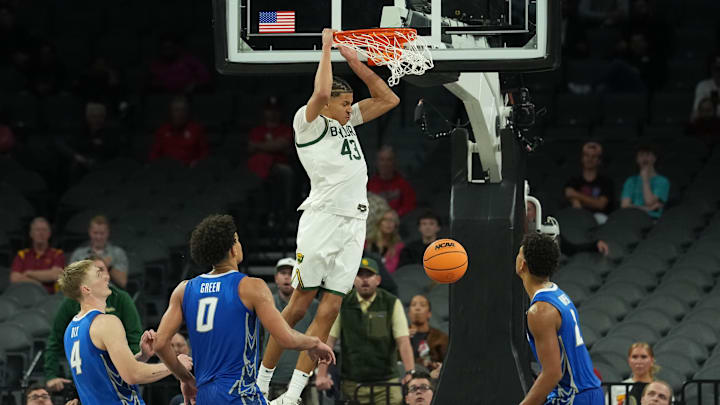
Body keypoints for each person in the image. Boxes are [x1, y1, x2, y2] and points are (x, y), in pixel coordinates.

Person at [257, 28, 400, 405]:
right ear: (325, 106)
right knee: (301, 303)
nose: (350, 108)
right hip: (322, 219)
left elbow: (388, 97)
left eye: (352, 103)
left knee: (332, 306)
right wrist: (326, 48)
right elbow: (321, 93)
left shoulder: (346, 122)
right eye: (344, 103)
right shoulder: (308, 124)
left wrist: (357, 63)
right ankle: (259, 383)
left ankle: (291, 395)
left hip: (354, 223)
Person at [153, 214, 335, 405]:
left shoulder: (183, 289)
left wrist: (186, 378)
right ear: (233, 249)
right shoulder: (251, 287)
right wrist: (314, 342)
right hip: (238, 394)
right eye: (238, 240)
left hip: (205, 395)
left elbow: (159, 344)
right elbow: (285, 337)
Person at [59, 259, 192, 404]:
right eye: (98, 274)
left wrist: (142, 356)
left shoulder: (70, 330)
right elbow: (132, 374)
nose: (106, 276)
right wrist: (174, 365)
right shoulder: (106, 322)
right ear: (86, 289)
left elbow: (106, 374)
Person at [516, 233, 603, 405]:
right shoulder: (558, 294)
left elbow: (552, 373)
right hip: (589, 391)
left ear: (522, 264)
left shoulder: (539, 311)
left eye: (519, 253)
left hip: (574, 396)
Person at [316, 257, 415, 405]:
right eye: (360, 275)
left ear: (378, 279)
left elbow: (403, 341)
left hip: (387, 382)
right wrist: (322, 374)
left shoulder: (391, 302)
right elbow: (329, 341)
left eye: (369, 275)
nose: (364, 280)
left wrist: (409, 373)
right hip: (351, 384)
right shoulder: (342, 303)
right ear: (353, 279)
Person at [45, 254, 143, 392]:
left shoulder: (120, 299)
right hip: (90, 379)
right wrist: (51, 375)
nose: (103, 276)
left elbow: (135, 338)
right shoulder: (101, 319)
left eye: (103, 270)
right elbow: (54, 340)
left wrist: (135, 360)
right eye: (97, 273)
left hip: (114, 375)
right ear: (86, 286)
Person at [263, 258, 319, 403]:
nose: (287, 277)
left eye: (291, 273)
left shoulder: (313, 306)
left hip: (304, 380)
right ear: (276, 278)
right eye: (283, 273)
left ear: (298, 277)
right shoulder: (265, 304)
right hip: (271, 380)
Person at [247, 96, 296, 231]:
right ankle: (260, 215)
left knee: (286, 173)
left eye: (276, 110)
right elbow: (250, 147)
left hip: (281, 167)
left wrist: (260, 146)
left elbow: (283, 144)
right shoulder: (258, 130)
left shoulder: (285, 128)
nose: (272, 113)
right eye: (269, 110)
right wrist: (273, 146)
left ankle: (285, 213)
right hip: (259, 169)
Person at [56, 101, 124, 183]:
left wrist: (100, 147)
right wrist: (82, 154)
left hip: (103, 160)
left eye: (100, 116)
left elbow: (113, 149)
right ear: (87, 117)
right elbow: (75, 143)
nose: (97, 120)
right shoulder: (80, 128)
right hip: (83, 158)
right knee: (75, 167)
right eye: (94, 117)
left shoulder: (110, 130)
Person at [148, 95, 209, 166]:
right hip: (167, 170)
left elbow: (205, 154)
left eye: (183, 110)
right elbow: (154, 155)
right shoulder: (162, 130)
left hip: (190, 171)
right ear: (171, 112)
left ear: (187, 112)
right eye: (176, 110)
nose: (180, 114)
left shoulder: (197, 130)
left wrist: (197, 163)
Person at [69, 215, 129, 288]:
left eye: (102, 233)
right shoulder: (79, 254)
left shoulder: (118, 253)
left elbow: (123, 282)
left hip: (110, 295)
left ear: (108, 233)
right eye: (95, 233)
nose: (98, 237)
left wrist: (107, 266)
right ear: (89, 232)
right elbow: (70, 282)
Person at [11, 217, 65, 294]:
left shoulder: (57, 254)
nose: (41, 233)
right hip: (23, 297)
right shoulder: (22, 255)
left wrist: (29, 273)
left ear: (49, 233)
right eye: (37, 230)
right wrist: (36, 284)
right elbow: (14, 278)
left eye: (44, 230)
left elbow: (55, 275)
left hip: (49, 299)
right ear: (31, 233)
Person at [563, 142, 614, 224]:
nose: (589, 159)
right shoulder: (574, 180)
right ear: (582, 158)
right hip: (577, 217)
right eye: (587, 155)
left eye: (594, 156)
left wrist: (576, 195)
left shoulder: (606, 182)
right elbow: (570, 196)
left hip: (599, 219)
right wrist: (591, 202)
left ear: (599, 160)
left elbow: (600, 205)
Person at [620, 144, 669, 219]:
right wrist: (646, 209)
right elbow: (624, 205)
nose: (645, 158)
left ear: (654, 158)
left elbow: (649, 202)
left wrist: (645, 180)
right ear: (637, 160)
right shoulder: (631, 180)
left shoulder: (662, 181)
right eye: (641, 155)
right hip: (632, 217)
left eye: (648, 155)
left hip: (652, 219)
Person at [367, 145, 417, 217]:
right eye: (382, 160)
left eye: (389, 160)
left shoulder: (405, 185)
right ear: (376, 162)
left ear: (395, 162)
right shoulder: (368, 184)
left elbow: (409, 208)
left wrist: (392, 217)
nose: (385, 164)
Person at [407, 294, 448, 377]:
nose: (417, 308)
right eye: (413, 305)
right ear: (409, 313)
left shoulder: (441, 338)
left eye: (422, 305)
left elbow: (447, 363)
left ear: (429, 314)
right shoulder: (400, 336)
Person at [365, 209, 405, 273]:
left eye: (392, 220)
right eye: (385, 219)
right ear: (379, 222)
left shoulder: (399, 247)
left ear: (396, 224)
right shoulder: (368, 243)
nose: (388, 223)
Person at [692, 53, 720, 119]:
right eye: (717, 69)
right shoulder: (703, 86)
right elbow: (697, 112)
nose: (719, 73)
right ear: (711, 70)